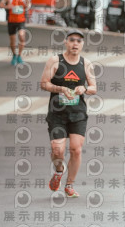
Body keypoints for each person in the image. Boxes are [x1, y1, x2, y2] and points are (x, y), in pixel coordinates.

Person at [40, 29, 97, 198]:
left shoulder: (86, 64)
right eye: (72, 40)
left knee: (76, 149)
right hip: (57, 113)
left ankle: (69, 185)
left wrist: (84, 89)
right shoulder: (55, 61)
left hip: (77, 113)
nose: (75, 43)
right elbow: (44, 83)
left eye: (79, 41)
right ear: (66, 42)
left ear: (82, 44)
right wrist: (61, 89)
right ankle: (59, 171)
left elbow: (94, 88)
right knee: (57, 150)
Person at [0, 0, 30, 65]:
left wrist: (27, 3)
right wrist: (7, 6)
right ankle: (14, 55)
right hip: (11, 21)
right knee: (13, 41)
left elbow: (28, 6)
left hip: (21, 21)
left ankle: (19, 55)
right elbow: (0, 5)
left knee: (22, 37)